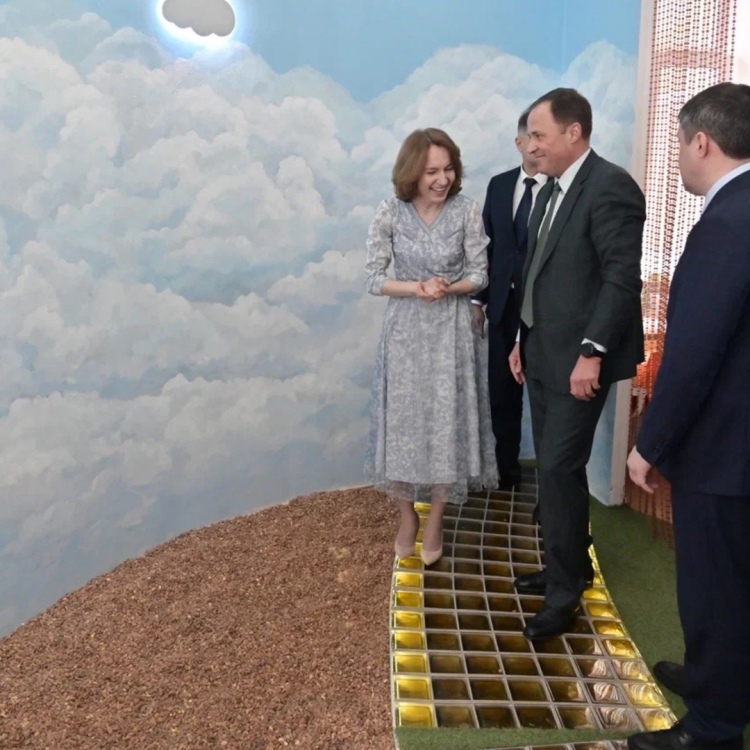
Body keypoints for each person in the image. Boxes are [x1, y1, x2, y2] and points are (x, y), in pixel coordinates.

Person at [627, 82, 750, 750]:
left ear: (702, 142)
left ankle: (712, 727)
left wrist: (650, 445)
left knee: (716, 591)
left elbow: (695, 355)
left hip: (727, 452)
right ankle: (715, 680)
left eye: (678, 141)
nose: (677, 154)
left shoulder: (727, 224)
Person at [509, 88, 646, 639]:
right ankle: (566, 567)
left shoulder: (611, 186)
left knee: (560, 471)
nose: (531, 146)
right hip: (541, 354)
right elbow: (539, 275)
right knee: (555, 474)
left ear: (574, 132)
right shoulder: (549, 190)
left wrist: (592, 352)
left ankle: (564, 596)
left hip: (578, 365)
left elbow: (621, 279)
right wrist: (520, 338)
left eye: (539, 135)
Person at [364, 128, 497, 567]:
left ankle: (436, 518)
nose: (443, 180)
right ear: (411, 174)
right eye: (431, 172)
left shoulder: (466, 211)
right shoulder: (390, 212)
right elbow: (373, 279)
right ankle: (408, 516)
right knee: (403, 423)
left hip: (451, 332)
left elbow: (480, 273)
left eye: (448, 169)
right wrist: (416, 288)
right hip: (404, 331)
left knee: (446, 422)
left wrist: (449, 288)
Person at [472, 108, 548, 490]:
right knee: (502, 395)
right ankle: (506, 472)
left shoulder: (560, 190)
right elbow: (487, 247)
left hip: (544, 311)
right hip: (501, 307)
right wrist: (479, 301)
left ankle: (551, 480)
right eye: (531, 138)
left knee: (544, 395)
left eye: (543, 137)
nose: (537, 146)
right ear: (519, 143)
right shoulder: (499, 185)